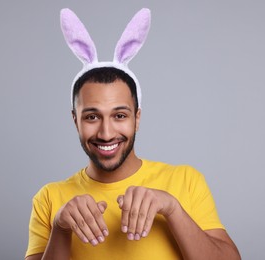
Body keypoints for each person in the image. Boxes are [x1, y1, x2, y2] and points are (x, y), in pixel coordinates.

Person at [25, 8, 240, 260]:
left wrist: (173, 209)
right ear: (75, 120)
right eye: (92, 116)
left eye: (119, 115)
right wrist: (60, 229)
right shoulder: (49, 198)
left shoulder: (186, 181)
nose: (106, 133)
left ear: (137, 118)